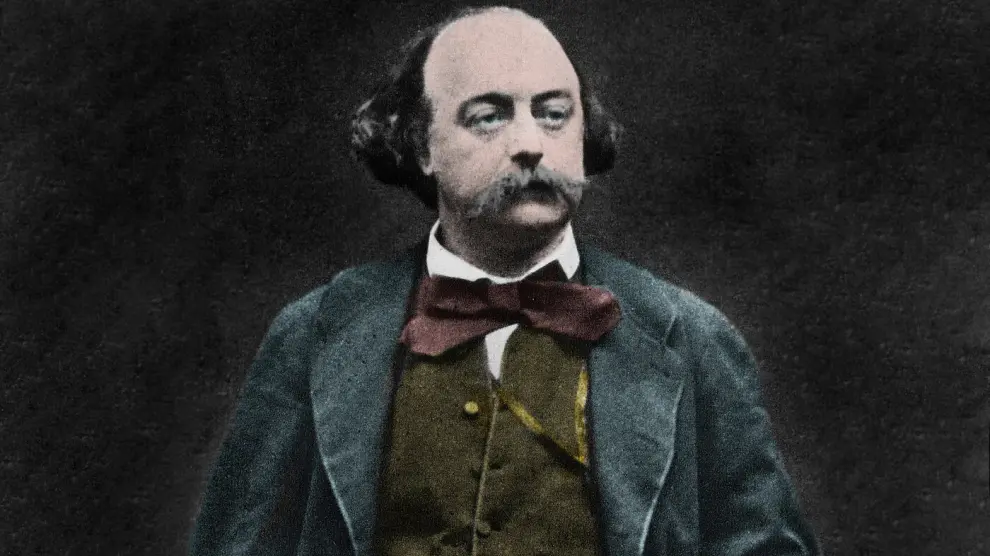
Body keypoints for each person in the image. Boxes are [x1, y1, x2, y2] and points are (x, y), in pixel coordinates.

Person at [190, 6, 820, 555]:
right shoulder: (316, 334)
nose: (530, 143)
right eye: (489, 117)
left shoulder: (692, 338)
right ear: (420, 145)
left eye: (554, 114)